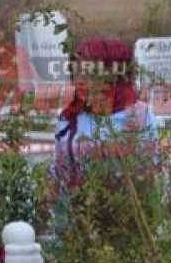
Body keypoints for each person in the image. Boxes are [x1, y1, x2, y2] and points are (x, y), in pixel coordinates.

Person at [54, 36, 157, 171]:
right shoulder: (69, 117)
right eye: (76, 73)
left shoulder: (140, 116)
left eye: (89, 74)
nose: (79, 81)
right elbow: (59, 171)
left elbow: (149, 171)